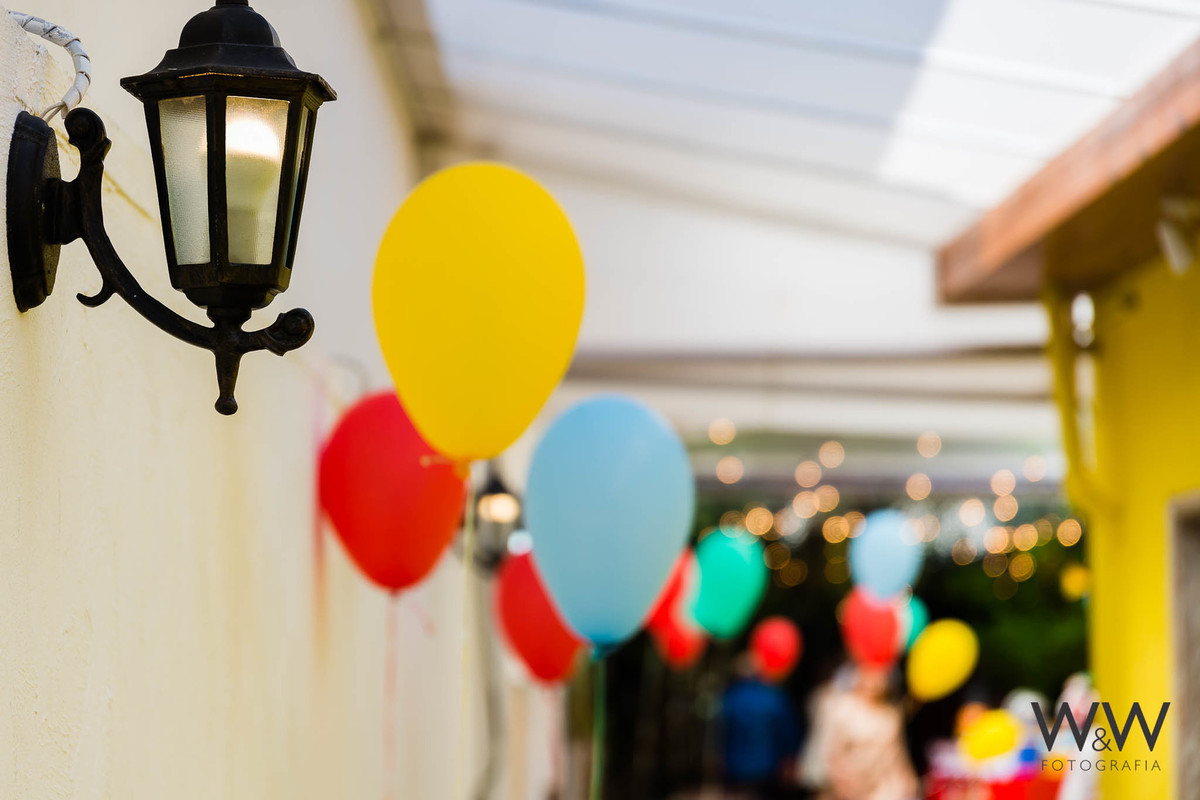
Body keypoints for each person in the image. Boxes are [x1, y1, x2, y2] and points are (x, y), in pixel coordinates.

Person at [814, 665, 918, 800]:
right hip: (851, 789)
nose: (877, 680)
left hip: (884, 790)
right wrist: (842, 782)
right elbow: (829, 753)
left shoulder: (891, 714)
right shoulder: (842, 708)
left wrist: (909, 781)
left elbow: (898, 755)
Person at [719, 655, 802, 799]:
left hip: (735, 767)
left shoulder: (731, 697)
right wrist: (790, 761)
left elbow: (722, 733)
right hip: (768, 768)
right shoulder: (774, 697)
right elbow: (788, 734)